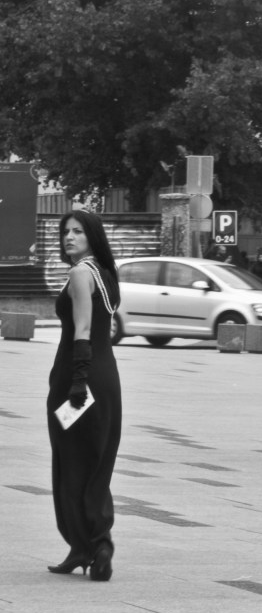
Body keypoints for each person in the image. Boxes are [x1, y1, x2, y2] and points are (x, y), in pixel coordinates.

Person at [46, 210, 122, 582]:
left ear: (93, 236)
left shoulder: (80, 273)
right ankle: (96, 545)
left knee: (71, 462)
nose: (69, 237)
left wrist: (76, 383)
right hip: (107, 381)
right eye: (66, 231)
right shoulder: (106, 275)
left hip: (79, 381)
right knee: (95, 464)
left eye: (78, 231)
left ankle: (87, 545)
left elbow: (83, 328)